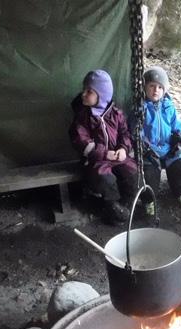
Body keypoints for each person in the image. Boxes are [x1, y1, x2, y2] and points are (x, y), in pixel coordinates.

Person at [69, 69, 137, 224]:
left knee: (133, 171)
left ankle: (126, 206)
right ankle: (113, 207)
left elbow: (125, 133)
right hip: (96, 159)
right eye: (84, 90)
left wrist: (123, 149)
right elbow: (81, 140)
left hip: (117, 156)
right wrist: (104, 154)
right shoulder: (82, 117)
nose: (83, 94)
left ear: (102, 95)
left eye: (89, 91)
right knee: (105, 178)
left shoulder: (116, 114)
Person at [141, 66, 181, 214]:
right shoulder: (141, 108)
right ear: (145, 87)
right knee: (149, 175)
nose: (156, 90)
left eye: (160, 87)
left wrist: (180, 139)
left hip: (168, 147)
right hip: (150, 151)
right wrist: (147, 148)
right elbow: (137, 132)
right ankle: (149, 200)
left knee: (180, 166)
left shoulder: (169, 106)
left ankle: (180, 192)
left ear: (164, 90)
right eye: (152, 86)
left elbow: (177, 125)